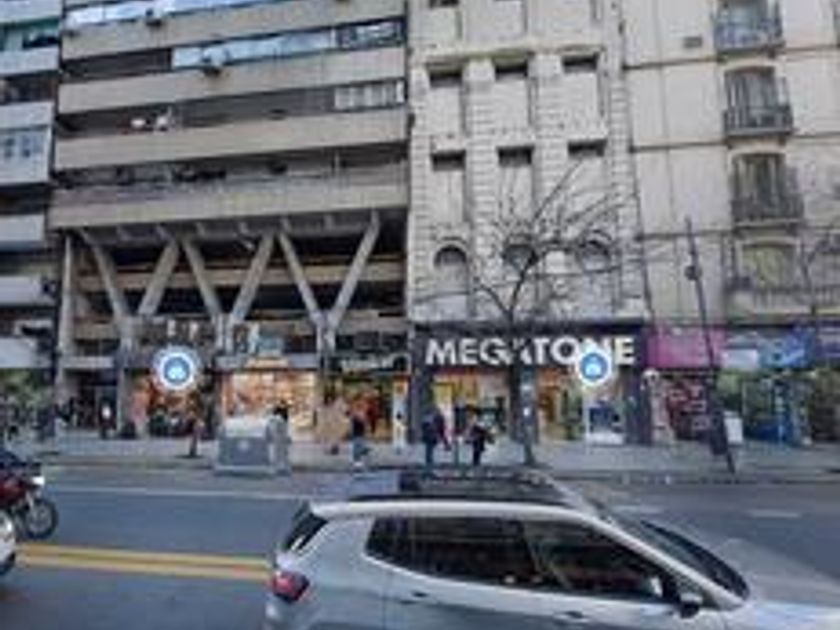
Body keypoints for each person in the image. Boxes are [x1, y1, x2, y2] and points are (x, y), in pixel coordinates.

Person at [420, 405, 448, 471]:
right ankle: (429, 464)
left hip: (430, 436)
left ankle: (429, 464)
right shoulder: (434, 417)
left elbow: (423, 427)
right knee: (429, 450)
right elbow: (440, 429)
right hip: (431, 436)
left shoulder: (428, 417)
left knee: (429, 450)